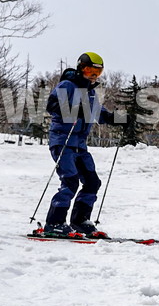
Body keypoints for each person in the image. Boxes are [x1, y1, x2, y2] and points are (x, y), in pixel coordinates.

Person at [41, 52, 118, 239]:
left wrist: (120, 119)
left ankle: (80, 221)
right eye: (89, 70)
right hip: (63, 140)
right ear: (80, 68)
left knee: (92, 182)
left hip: (80, 145)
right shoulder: (67, 85)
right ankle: (54, 223)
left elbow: (100, 114)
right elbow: (52, 105)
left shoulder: (91, 93)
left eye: (97, 72)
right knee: (70, 181)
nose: (93, 75)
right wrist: (75, 109)